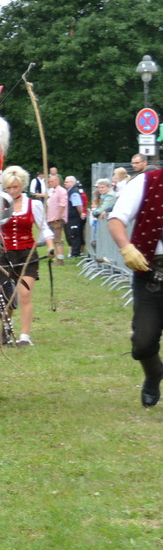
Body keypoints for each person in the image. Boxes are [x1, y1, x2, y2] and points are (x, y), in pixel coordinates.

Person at [105, 158, 163, 407]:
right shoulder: (146, 182)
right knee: (142, 343)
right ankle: (154, 374)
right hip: (152, 275)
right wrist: (126, 247)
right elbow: (116, 219)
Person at [0, 167, 50, 345]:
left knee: (25, 294)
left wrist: (50, 247)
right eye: (9, 188)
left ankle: (25, 336)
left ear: (22, 186)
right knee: (7, 297)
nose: (12, 191)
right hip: (5, 256)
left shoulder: (33, 204)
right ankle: (6, 327)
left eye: (15, 187)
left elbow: (44, 228)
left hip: (27, 255)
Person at [44, 174, 68, 260]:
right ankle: (55, 256)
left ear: (57, 181)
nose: (50, 183)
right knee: (53, 239)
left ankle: (60, 259)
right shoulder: (52, 191)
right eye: (49, 182)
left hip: (57, 219)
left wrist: (58, 216)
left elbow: (63, 204)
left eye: (52, 181)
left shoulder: (61, 191)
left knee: (58, 239)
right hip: (51, 218)